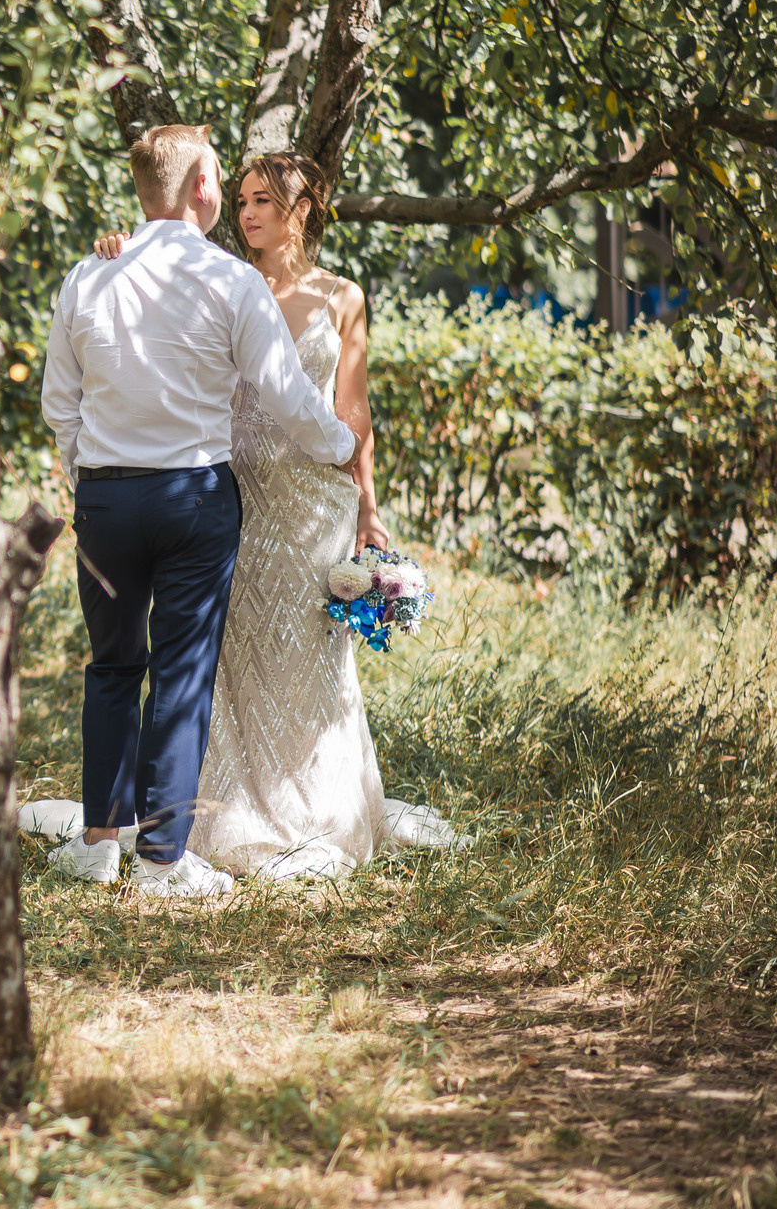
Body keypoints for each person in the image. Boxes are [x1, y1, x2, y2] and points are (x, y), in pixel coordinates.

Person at [37, 151, 460, 880]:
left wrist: (366, 499)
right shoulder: (218, 275)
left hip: (306, 501)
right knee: (212, 667)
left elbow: (352, 414)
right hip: (229, 492)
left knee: (298, 657)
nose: (248, 212)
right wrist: (120, 248)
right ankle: (208, 817)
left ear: (303, 208)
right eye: (239, 199)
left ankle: (308, 806)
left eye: (264, 199)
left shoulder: (339, 295)